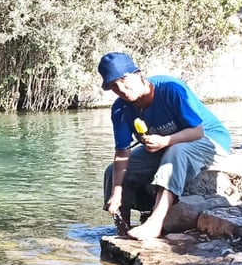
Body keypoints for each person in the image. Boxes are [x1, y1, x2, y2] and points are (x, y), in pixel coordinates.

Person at [99, 52, 231, 240]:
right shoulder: (120, 108)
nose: (121, 89)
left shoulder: (170, 89)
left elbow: (197, 132)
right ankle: (122, 229)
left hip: (209, 138)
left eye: (124, 79)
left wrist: (165, 141)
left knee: (176, 150)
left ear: (138, 74)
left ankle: (155, 222)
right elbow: (122, 151)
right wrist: (116, 192)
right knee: (113, 171)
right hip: (165, 145)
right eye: (113, 86)